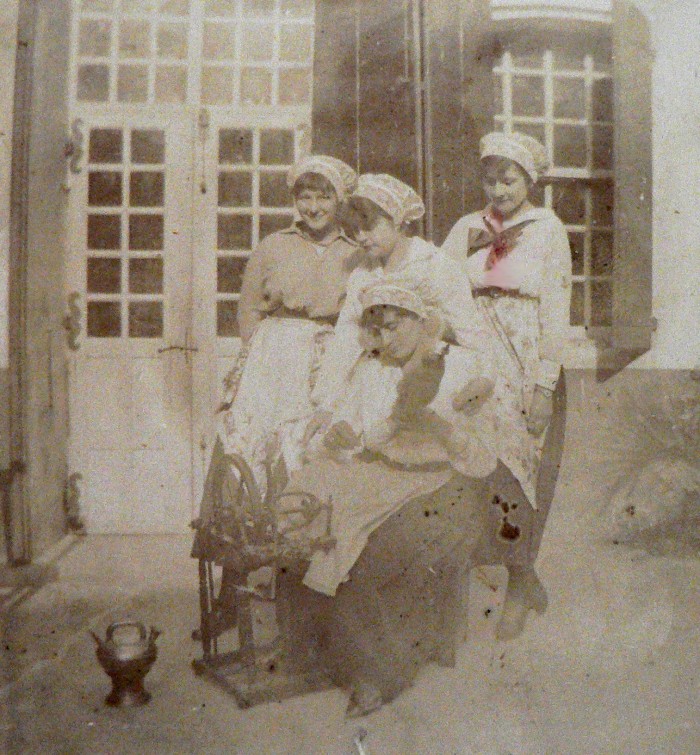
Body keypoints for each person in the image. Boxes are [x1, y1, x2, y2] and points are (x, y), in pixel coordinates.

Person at [276, 282, 497, 717]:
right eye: (375, 331)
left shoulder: (461, 370)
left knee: (361, 557)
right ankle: (307, 650)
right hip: (377, 476)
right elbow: (354, 438)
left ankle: (378, 675)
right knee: (304, 518)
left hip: (442, 487)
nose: (385, 340)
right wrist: (339, 439)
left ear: (420, 321)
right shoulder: (371, 369)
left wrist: (439, 428)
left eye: (394, 328)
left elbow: (483, 461)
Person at [193, 154, 360, 634]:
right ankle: (229, 596)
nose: (312, 207)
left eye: (322, 196)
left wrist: (330, 371)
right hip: (271, 359)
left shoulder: (354, 253)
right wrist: (258, 363)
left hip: (325, 363)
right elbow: (248, 309)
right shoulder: (272, 245)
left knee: (303, 470)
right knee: (242, 466)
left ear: (340, 199)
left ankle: (303, 605)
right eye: (304, 196)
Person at [441, 131, 572, 640]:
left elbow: (557, 312)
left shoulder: (548, 229)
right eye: (491, 179)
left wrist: (543, 386)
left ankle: (519, 585)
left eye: (509, 179)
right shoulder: (464, 228)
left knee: (518, 475)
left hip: (522, 361)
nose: (499, 190)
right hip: (473, 359)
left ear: (529, 180)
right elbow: (441, 289)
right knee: (473, 470)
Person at [311, 172, 495, 420]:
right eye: (354, 230)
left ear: (397, 220)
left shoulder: (433, 265)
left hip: (430, 377)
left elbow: (471, 331)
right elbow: (347, 336)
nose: (361, 237)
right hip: (377, 377)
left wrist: (484, 378)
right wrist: (326, 401)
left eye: (369, 227)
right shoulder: (363, 274)